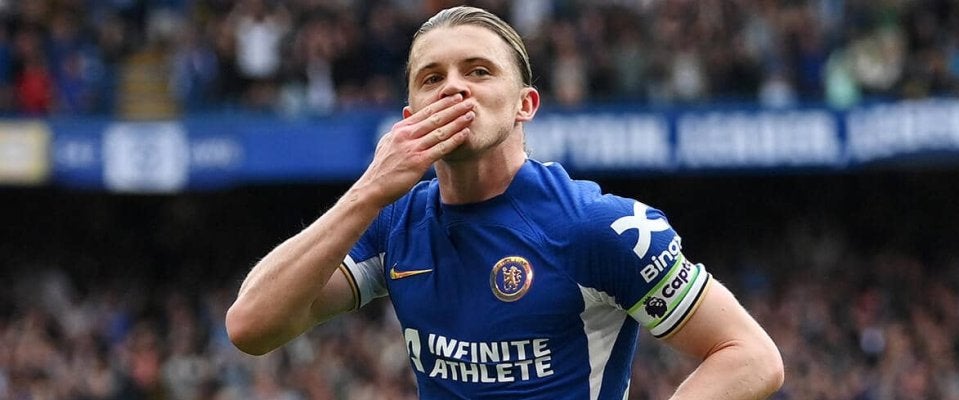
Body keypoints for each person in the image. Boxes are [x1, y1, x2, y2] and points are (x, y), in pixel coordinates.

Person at [226, 6, 784, 399]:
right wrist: (368, 189)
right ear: (409, 116)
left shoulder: (596, 226)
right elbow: (251, 326)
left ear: (525, 105)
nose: (454, 87)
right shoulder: (391, 222)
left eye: (479, 71)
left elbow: (750, 355)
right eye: (432, 78)